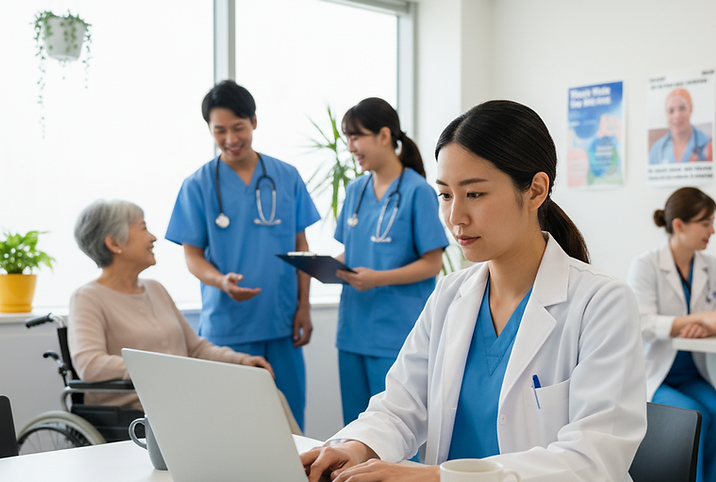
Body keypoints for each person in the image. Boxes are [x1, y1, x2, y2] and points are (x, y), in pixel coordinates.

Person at [301, 100, 648, 482]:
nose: (455, 216)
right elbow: (400, 406)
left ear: (535, 190)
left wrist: (435, 479)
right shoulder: (451, 295)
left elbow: (593, 461)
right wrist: (356, 446)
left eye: (475, 194)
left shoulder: (601, 303)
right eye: (445, 195)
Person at [68, 200, 301, 433]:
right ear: (114, 243)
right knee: (252, 402)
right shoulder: (88, 297)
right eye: (142, 228)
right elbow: (90, 364)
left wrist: (239, 360)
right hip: (143, 407)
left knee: (267, 393)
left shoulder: (155, 289)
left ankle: (306, 465)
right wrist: (160, 369)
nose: (153, 238)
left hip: (180, 394)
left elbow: (196, 349)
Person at [166, 81, 321, 430]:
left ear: (254, 122)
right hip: (228, 327)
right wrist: (221, 281)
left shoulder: (286, 177)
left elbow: (302, 247)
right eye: (219, 130)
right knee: (231, 427)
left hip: (282, 323)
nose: (230, 139)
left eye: (238, 128)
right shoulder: (198, 185)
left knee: (290, 424)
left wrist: (304, 305)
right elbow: (192, 257)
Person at [626, 187, 716, 482]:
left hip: (691, 372)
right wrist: (692, 321)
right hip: (655, 373)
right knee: (697, 416)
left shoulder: (710, 265)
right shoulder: (646, 265)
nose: (712, 231)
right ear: (679, 224)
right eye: (705, 223)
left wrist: (712, 324)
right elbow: (643, 322)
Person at [333, 98, 448, 424]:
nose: (351, 147)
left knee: (395, 430)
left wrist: (378, 278)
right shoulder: (355, 190)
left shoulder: (417, 192)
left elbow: (432, 263)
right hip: (353, 330)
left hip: (396, 333)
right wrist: (322, 265)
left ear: (384, 136)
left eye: (357, 137)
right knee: (354, 430)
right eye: (348, 138)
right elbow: (352, 250)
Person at [648, 88, 713, 164]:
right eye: (671, 111)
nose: (677, 115)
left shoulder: (707, 145)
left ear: (690, 109)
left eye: (682, 108)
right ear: (666, 114)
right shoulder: (656, 150)